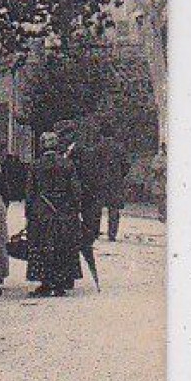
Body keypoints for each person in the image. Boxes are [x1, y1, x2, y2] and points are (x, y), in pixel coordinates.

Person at [24, 131, 83, 297]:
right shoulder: (67, 164)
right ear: (57, 145)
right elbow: (76, 190)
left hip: (42, 211)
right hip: (64, 211)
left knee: (42, 245)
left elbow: (30, 192)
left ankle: (45, 282)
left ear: (42, 145)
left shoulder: (36, 165)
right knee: (62, 245)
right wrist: (75, 209)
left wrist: (29, 213)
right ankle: (60, 283)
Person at [83, 125, 129, 242]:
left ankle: (95, 232)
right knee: (114, 209)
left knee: (96, 209)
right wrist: (119, 175)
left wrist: (93, 178)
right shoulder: (120, 148)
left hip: (99, 182)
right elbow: (126, 166)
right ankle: (112, 234)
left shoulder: (96, 148)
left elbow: (90, 166)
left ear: (102, 135)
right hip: (115, 182)